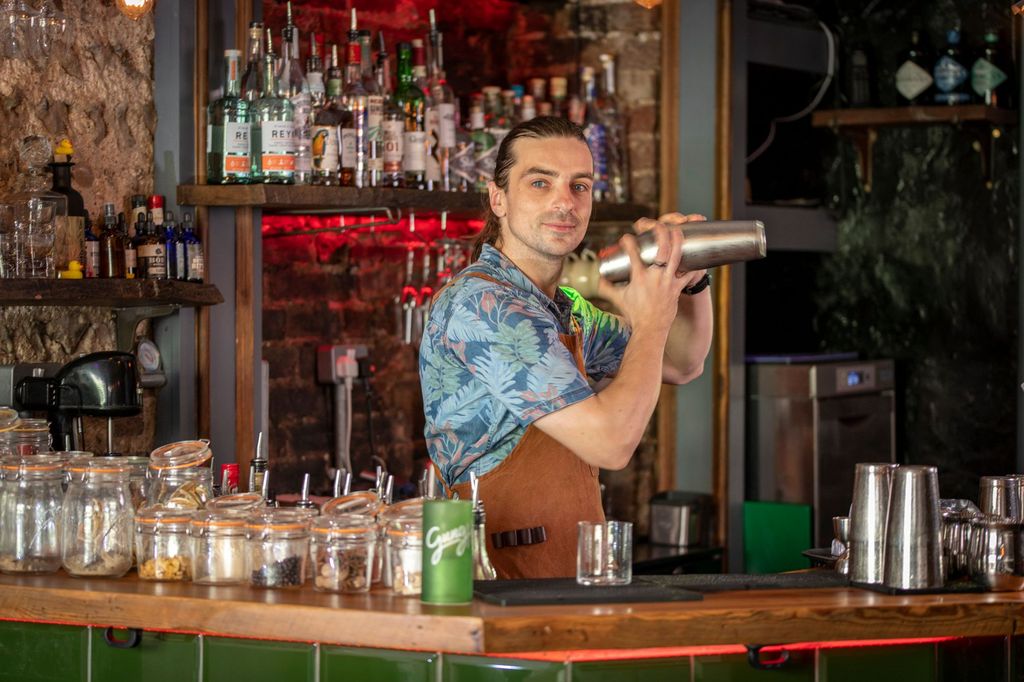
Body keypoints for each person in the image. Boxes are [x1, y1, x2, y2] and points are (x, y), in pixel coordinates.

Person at [418, 116, 713, 579]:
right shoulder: (484, 306)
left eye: (580, 186)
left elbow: (682, 361)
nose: (564, 202)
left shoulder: (563, 308)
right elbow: (611, 444)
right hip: (499, 583)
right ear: (499, 199)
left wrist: (691, 276)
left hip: (566, 572)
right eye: (540, 182)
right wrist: (653, 316)